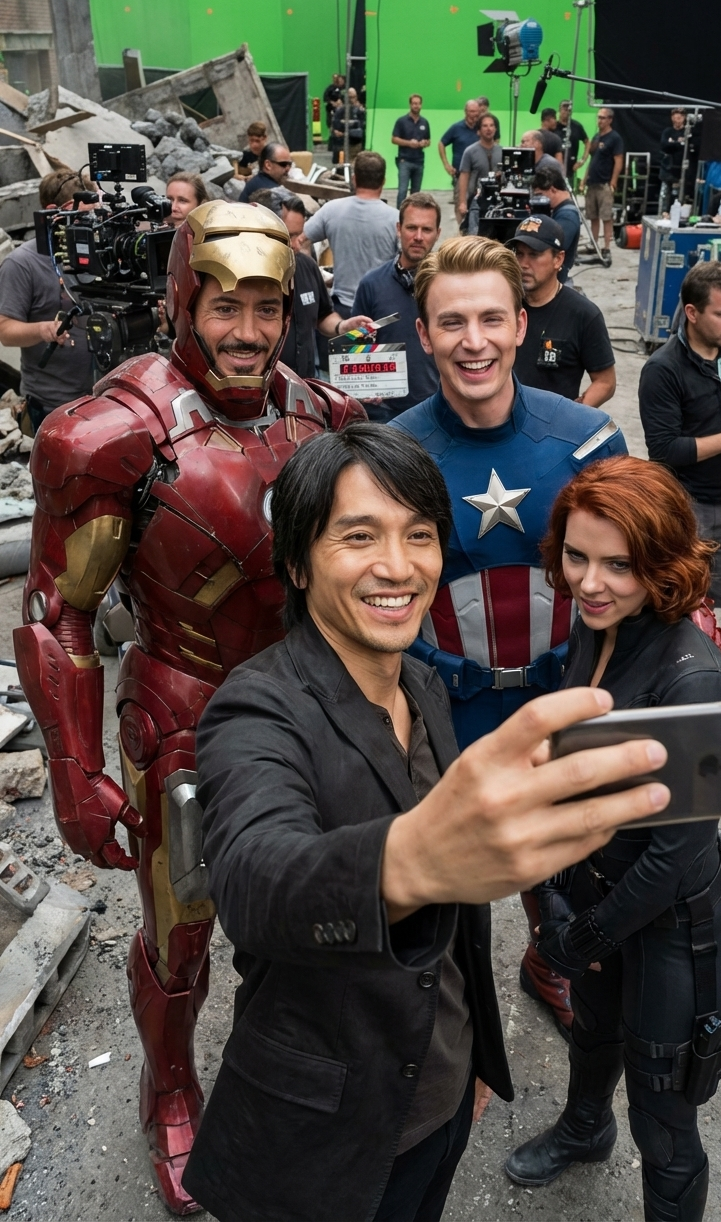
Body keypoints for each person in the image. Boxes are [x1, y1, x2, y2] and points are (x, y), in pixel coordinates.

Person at [181, 423, 672, 1222]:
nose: (399, 566)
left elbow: (458, 918)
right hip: (327, 1136)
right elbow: (252, 880)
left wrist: (472, 1053)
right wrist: (405, 860)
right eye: (359, 536)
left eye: (419, 535)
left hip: (440, 1098)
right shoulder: (255, 706)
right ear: (300, 562)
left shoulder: (421, 682)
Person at [13, 200, 365, 1215]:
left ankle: (296, 1062)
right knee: (183, 929)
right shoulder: (109, 434)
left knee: (317, 902)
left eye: (269, 305)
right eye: (226, 306)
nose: (249, 331)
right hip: (186, 706)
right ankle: (170, 1082)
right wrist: (78, 774)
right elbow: (56, 615)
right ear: (183, 299)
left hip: (308, 700)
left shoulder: (326, 413)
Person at [391, 235, 627, 1036]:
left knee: (569, 856)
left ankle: (549, 958)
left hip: (564, 693)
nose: (474, 340)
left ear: (522, 325)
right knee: (444, 877)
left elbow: (638, 574)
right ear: (423, 335)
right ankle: (456, 1025)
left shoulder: (588, 441)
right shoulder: (393, 455)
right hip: (441, 704)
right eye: (451, 322)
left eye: (492, 317)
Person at [505, 455, 721, 1222]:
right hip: (600, 889)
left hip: (679, 923)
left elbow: (677, 853)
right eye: (577, 556)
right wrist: (559, 893)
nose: (590, 582)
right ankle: (585, 1128)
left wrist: (585, 932)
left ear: (664, 562)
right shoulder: (597, 622)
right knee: (594, 1028)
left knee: (664, 1112)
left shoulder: (694, 678)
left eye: (621, 564)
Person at [639, 260, 721, 609]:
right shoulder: (663, 369)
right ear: (692, 313)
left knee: (718, 605)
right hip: (684, 507)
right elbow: (665, 450)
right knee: (675, 606)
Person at [0, 168, 95, 432]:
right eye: (82, 216)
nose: (91, 223)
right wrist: (44, 330)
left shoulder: (101, 251)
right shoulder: (21, 264)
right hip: (52, 406)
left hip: (107, 398)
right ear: (54, 212)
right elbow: (5, 331)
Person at [252, 191, 374, 378]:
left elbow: (322, 315)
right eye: (288, 236)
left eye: (299, 235)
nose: (296, 245)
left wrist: (342, 326)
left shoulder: (307, 266)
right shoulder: (247, 279)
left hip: (305, 384)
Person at [353, 192, 441, 421]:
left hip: (439, 412)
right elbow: (357, 348)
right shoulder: (371, 284)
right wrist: (364, 384)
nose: (418, 237)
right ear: (398, 229)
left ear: (438, 234)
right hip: (384, 417)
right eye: (412, 228)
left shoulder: (450, 287)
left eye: (427, 230)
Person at [509, 216, 616, 406]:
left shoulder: (583, 314)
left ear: (558, 259)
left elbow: (605, 382)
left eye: (534, 255)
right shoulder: (505, 305)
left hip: (551, 428)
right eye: (519, 254)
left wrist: (573, 414)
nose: (523, 264)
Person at [303, 151, 399, 318]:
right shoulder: (396, 219)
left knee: (344, 345)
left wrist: (315, 279)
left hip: (342, 309)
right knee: (381, 346)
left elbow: (300, 241)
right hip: (380, 310)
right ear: (383, 181)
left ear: (354, 179)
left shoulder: (331, 210)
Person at [581, 107, 623, 264]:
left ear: (610, 119)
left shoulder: (615, 138)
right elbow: (592, 160)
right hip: (592, 182)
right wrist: (584, 179)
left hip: (605, 183)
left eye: (603, 118)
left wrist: (613, 181)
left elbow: (619, 160)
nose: (600, 120)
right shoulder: (596, 136)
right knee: (593, 216)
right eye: (598, 117)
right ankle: (594, 244)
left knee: (606, 217)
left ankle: (606, 247)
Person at [530, 164, 581, 282]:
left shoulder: (567, 216)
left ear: (553, 189)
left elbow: (555, 247)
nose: (537, 200)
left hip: (557, 281)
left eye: (540, 195)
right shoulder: (559, 211)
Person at [457, 114, 503, 233]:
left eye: (492, 125)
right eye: (485, 126)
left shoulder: (502, 151)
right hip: (476, 200)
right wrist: (462, 202)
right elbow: (464, 176)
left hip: (498, 201)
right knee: (474, 233)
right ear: (479, 130)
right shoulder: (470, 151)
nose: (489, 129)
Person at [438, 100, 480, 209]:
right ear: (465, 112)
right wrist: (446, 165)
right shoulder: (456, 128)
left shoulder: (481, 129)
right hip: (460, 174)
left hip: (478, 174)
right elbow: (441, 143)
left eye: (476, 112)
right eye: (471, 111)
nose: (474, 114)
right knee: (460, 204)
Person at [392, 93, 431, 207]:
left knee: (416, 193)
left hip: (419, 161)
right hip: (405, 160)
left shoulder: (424, 122)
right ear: (410, 104)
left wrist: (425, 143)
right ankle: (398, 214)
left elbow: (429, 140)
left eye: (418, 104)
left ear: (421, 105)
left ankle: (414, 214)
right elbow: (394, 139)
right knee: (402, 190)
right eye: (414, 103)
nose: (416, 106)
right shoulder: (401, 121)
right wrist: (409, 143)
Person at [330, 86, 366, 163]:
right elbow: (335, 128)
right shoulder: (340, 111)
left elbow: (362, 126)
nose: (352, 100)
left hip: (356, 144)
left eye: (354, 97)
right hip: (342, 145)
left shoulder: (359, 111)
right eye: (350, 97)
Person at [659, 108, 687, 205]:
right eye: (675, 118)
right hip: (668, 168)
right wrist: (678, 143)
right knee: (665, 194)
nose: (677, 120)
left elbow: (688, 146)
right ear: (672, 118)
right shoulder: (667, 131)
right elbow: (664, 145)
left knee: (680, 194)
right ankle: (663, 213)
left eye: (679, 118)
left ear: (684, 118)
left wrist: (672, 143)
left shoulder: (687, 132)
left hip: (682, 169)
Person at [555, 100, 588, 179]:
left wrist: (582, 161)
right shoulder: (554, 126)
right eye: (564, 109)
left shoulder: (577, 126)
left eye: (569, 110)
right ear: (559, 110)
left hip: (571, 169)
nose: (566, 112)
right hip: (555, 168)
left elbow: (587, 142)